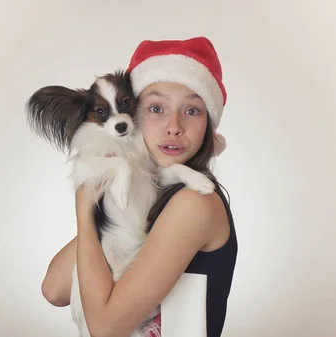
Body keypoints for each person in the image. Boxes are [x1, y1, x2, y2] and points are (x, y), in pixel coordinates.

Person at [41, 36, 238, 337]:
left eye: (192, 110)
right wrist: (99, 195)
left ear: (208, 124)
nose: (174, 126)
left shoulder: (194, 203)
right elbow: (55, 288)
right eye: (156, 109)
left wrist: (84, 206)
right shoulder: (153, 198)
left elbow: (105, 329)